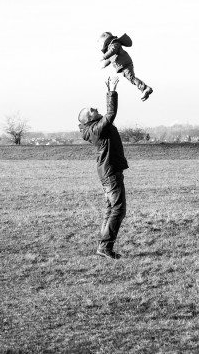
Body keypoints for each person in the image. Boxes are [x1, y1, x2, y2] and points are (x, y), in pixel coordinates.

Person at [78, 76, 128, 259]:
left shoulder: (95, 128)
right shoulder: (95, 129)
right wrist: (111, 93)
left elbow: (108, 117)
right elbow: (111, 114)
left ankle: (103, 246)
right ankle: (105, 246)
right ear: (87, 120)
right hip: (110, 172)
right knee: (118, 209)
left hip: (109, 172)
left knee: (111, 209)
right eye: (91, 110)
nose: (95, 109)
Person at [99, 32, 153, 101]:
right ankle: (145, 92)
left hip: (125, 64)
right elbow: (110, 58)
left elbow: (112, 51)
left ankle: (145, 88)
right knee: (131, 79)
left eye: (102, 43)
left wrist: (104, 57)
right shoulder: (111, 46)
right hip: (123, 65)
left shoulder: (114, 44)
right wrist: (104, 65)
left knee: (132, 78)